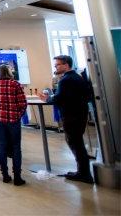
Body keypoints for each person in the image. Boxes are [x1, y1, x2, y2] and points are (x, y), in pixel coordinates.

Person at [38, 55, 94, 184]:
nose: (55, 67)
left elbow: (58, 98)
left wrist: (47, 99)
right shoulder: (77, 78)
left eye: (58, 64)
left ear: (66, 65)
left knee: (75, 143)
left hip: (71, 116)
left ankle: (84, 173)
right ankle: (83, 171)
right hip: (79, 114)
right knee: (77, 143)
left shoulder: (66, 80)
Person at [0, 64, 27, 185]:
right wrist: (18, 115)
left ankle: (5, 175)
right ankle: (17, 177)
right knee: (16, 147)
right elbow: (23, 103)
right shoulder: (16, 85)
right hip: (13, 120)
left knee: (2, 145)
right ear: (9, 72)